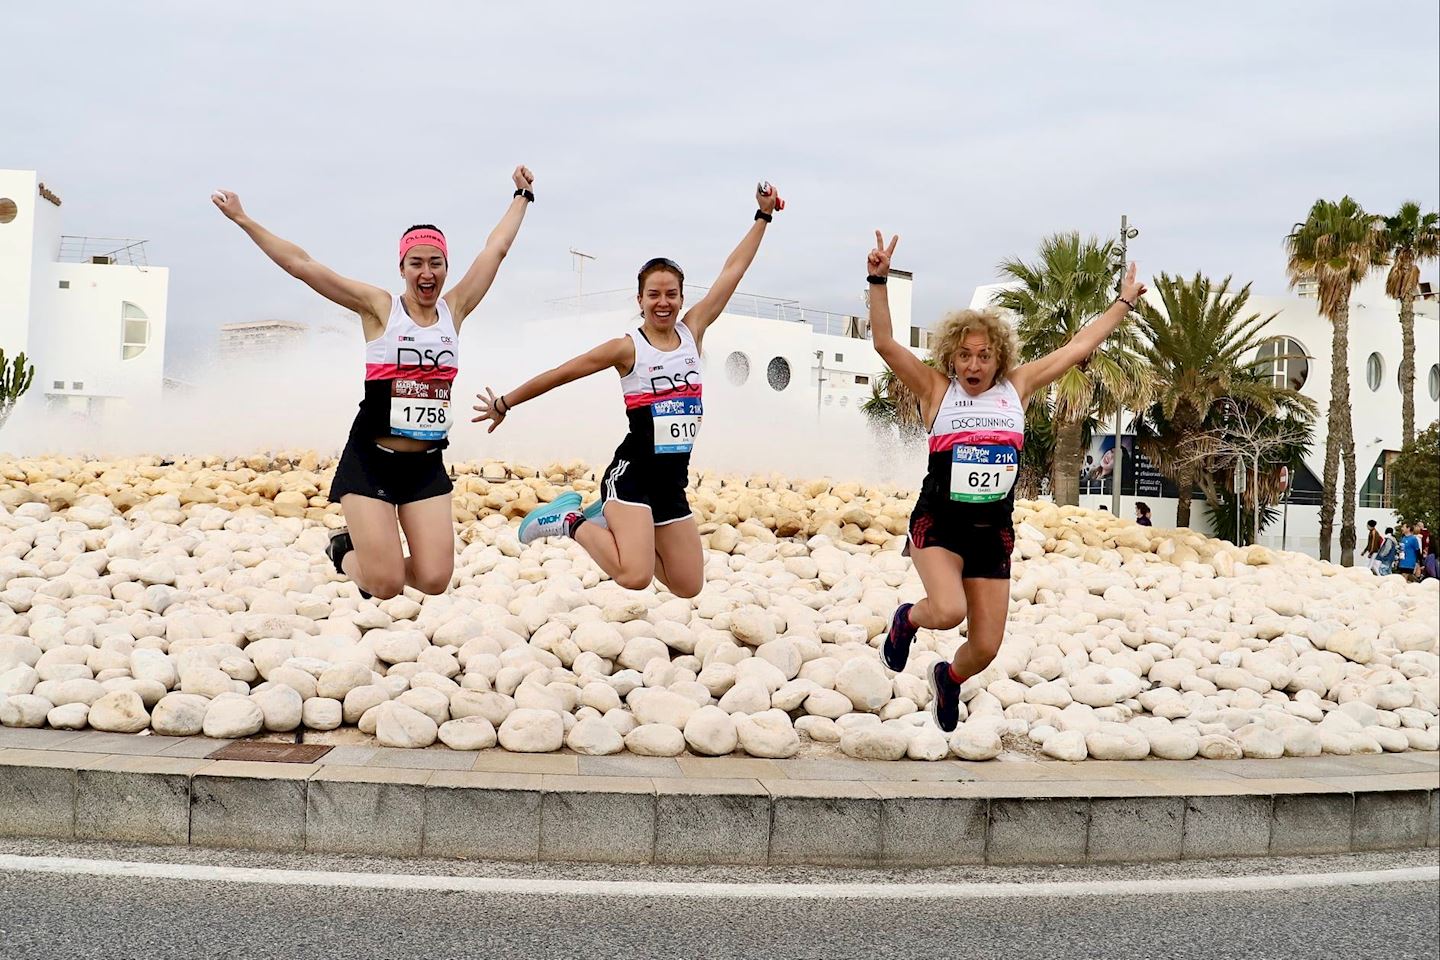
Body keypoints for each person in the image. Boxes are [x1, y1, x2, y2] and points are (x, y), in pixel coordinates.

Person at [212, 166, 536, 600]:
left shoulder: (454, 310)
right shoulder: (380, 309)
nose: (427, 272)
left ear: (445, 267)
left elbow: (496, 249)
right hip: (372, 458)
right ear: (401, 268)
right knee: (384, 585)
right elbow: (303, 266)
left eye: (435, 263)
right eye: (416, 263)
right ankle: (343, 551)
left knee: (435, 580)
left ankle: (368, 556)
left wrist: (522, 196)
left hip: (425, 464)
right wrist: (244, 220)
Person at [870, 230, 1148, 732]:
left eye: (984, 356)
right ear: (951, 357)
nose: (974, 365)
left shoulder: (1017, 388)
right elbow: (886, 343)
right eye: (964, 356)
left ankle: (948, 678)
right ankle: (906, 620)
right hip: (938, 521)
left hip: (992, 530)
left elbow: (1079, 344)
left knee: (985, 647)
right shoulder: (936, 390)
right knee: (949, 610)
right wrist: (878, 279)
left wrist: (1123, 302)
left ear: (999, 357)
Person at [472, 182, 784, 598]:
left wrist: (762, 217)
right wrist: (505, 402)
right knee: (634, 575)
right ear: (639, 300)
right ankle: (570, 522)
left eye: (671, 294)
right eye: (653, 294)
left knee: (688, 586)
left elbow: (733, 271)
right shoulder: (627, 348)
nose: (663, 302)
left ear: (681, 297)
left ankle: (616, 525)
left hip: (672, 484)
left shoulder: (693, 332)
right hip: (632, 476)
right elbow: (564, 372)